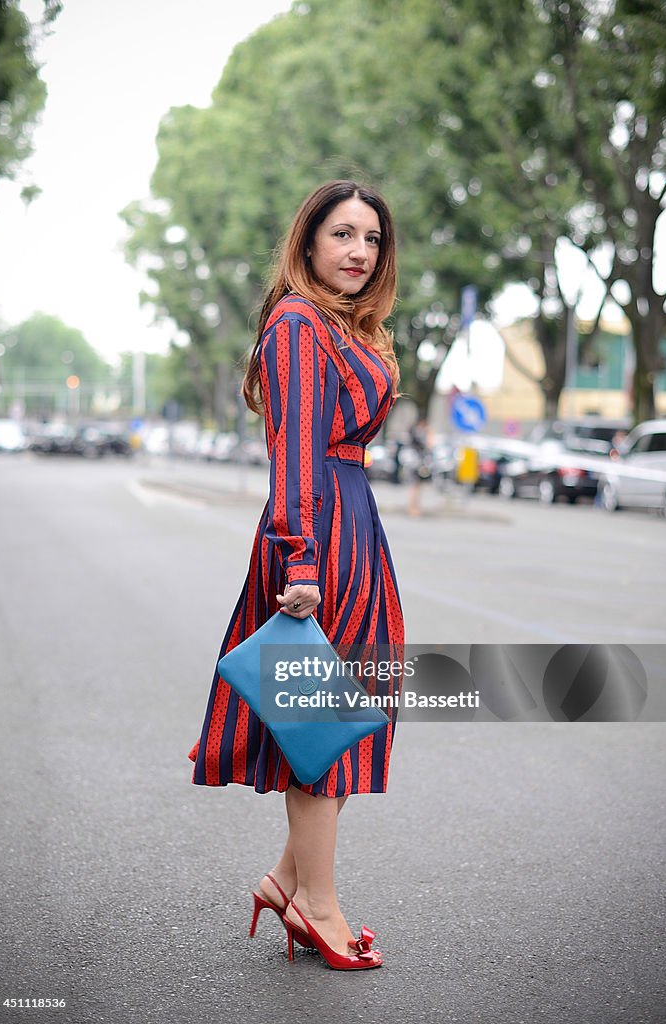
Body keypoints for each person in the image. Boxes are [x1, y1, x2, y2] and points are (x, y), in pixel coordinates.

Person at [188, 180, 404, 971]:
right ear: (308, 242)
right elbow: (294, 452)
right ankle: (319, 904)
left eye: (372, 239)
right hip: (316, 532)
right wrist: (303, 559)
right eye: (342, 234)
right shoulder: (295, 324)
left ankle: (287, 883)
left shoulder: (347, 328)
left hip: (356, 525)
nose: (357, 252)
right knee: (318, 724)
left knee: (346, 717)